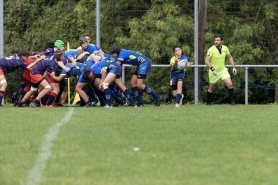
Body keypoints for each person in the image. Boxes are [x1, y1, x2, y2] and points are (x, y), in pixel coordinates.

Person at [205, 34, 237, 105]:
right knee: (212, 88)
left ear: (221, 41)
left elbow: (230, 57)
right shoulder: (211, 49)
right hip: (214, 71)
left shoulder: (225, 48)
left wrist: (233, 67)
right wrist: (213, 69)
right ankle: (208, 102)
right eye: (215, 40)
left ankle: (232, 102)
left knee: (230, 84)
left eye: (218, 40)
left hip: (223, 70)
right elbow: (206, 61)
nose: (216, 41)